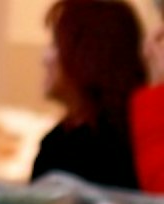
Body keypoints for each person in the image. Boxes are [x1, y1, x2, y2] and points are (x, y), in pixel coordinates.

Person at [32, 0, 144, 186]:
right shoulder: (137, 138)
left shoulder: (72, 152)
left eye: (55, 45)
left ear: (87, 55)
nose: (45, 58)